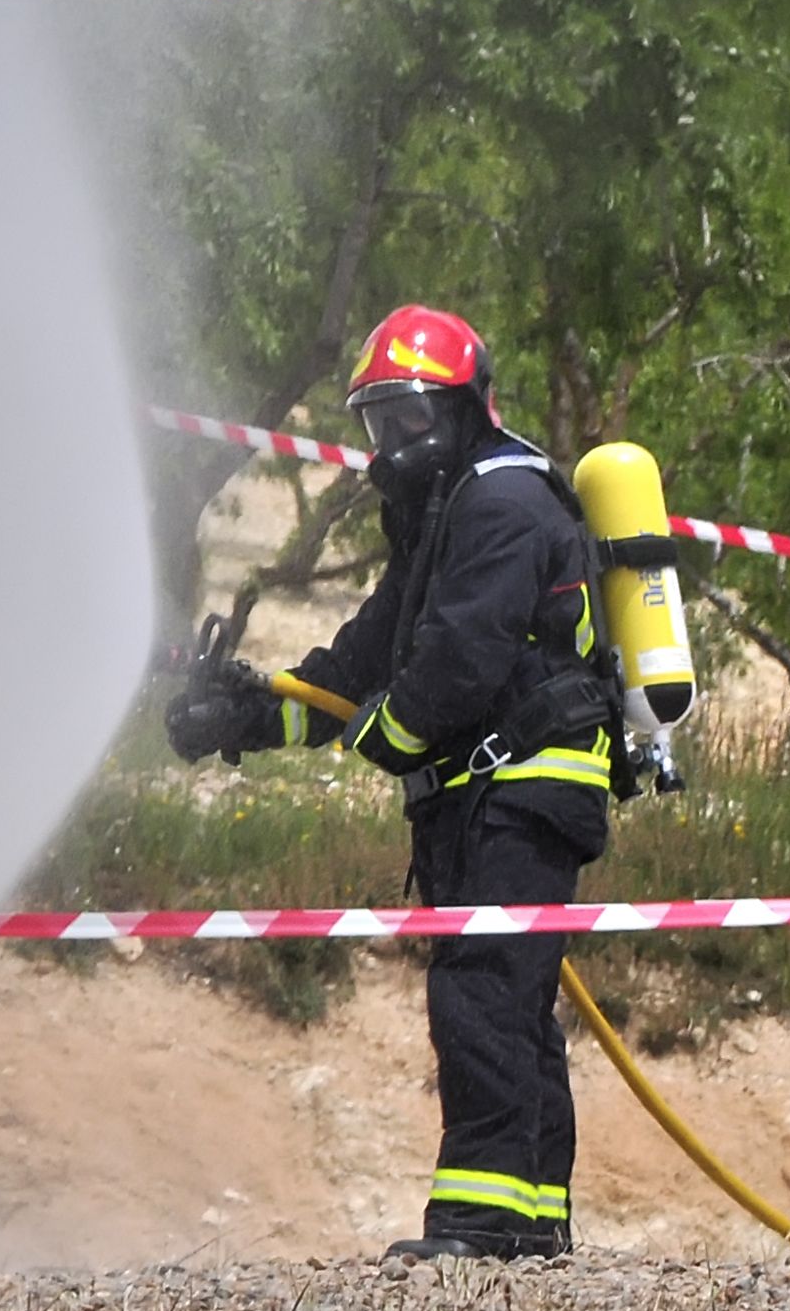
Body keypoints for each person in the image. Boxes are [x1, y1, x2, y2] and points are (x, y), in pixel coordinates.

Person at [167, 304, 614, 1262]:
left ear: (462, 411)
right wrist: (248, 716)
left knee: (482, 990)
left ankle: (479, 1224)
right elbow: (367, 655)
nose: (394, 442)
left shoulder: (501, 503)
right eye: (378, 422)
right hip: (483, 794)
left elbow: (455, 663)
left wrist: (389, 732)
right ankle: (531, 1223)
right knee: (509, 994)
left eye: (410, 417)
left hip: (527, 785)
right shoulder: (440, 515)